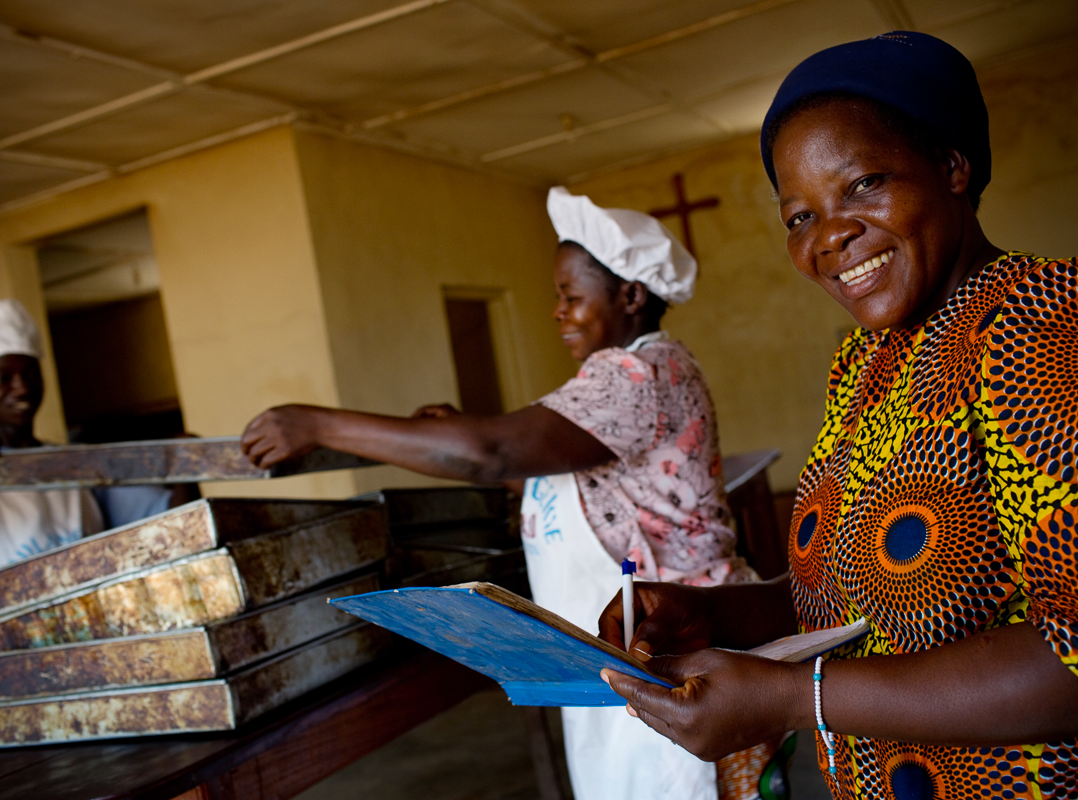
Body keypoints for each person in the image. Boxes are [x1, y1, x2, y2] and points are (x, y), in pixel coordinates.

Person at [596, 31, 1078, 799]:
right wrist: (713, 616)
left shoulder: (1059, 321)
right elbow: (864, 593)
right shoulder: (867, 363)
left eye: (862, 184)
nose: (829, 236)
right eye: (798, 216)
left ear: (952, 167)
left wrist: (795, 697)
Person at [241, 188, 784, 800]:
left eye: (571, 296)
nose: (557, 312)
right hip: (634, 657)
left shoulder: (638, 372)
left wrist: (318, 425)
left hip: (675, 652)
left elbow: (492, 451)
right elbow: (568, 478)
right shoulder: (635, 372)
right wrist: (453, 432)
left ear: (631, 295)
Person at [0, 300, 193, 580]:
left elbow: (172, 528)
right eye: (3, 378)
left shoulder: (80, 465)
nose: (22, 387)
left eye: (30, 373)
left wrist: (185, 465)